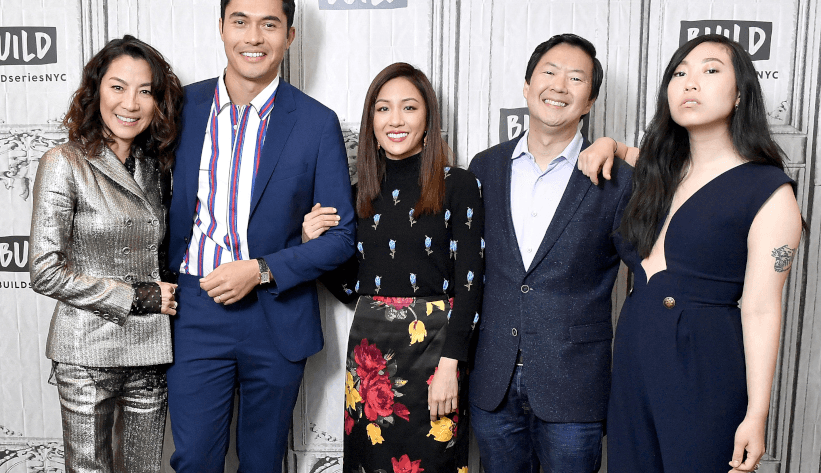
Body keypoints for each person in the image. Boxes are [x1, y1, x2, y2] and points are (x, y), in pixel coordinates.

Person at [581, 34, 803, 473]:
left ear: (740, 95)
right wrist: (609, 143)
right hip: (633, 360)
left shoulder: (768, 191)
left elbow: (760, 310)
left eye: (711, 70)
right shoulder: (658, 172)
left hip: (704, 365)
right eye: (680, 73)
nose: (690, 82)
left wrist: (756, 415)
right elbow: (636, 155)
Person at [163, 0, 356, 473]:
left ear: (290, 36)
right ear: (221, 27)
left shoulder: (316, 123)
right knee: (195, 460)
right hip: (194, 312)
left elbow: (341, 240)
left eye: (269, 25)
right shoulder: (180, 107)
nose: (254, 37)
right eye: (241, 21)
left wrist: (262, 268)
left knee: (264, 462)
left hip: (276, 314)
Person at [302, 62, 484, 473]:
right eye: (383, 109)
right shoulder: (356, 193)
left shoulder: (459, 185)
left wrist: (451, 366)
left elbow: (470, 284)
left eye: (409, 108)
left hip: (437, 352)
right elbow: (352, 288)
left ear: (428, 118)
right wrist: (314, 246)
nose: (395, 120)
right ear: (370, 121)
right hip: (369, 353)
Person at [466, 33, 633, 473]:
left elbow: (680, 183)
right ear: (526, 86)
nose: (559, 86)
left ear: (590, 100)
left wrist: (617, 147)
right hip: (493, 381)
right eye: (549, 72)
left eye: (576, 78)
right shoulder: (485, 167)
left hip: (575, 385)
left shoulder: (617, 178)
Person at [29, 35, 183, 473]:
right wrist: (134, 297)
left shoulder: (156, 169)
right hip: (85, 350)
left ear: (157, 102)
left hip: (150, 349)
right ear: (95, 91)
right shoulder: (64, 162)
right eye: (118, 87)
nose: (130, 103)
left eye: (145, 90)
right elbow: (44, 270)